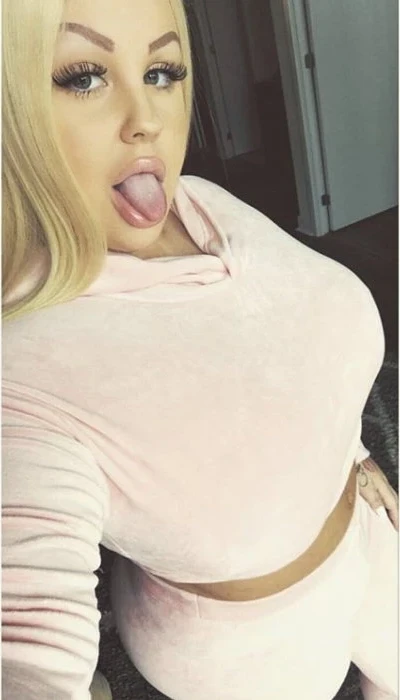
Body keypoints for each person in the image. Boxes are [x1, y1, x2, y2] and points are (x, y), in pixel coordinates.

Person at [2, 0, 398, 699]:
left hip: (370, 536)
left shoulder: (203, 199)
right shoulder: (22, 366)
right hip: (248, 651)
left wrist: (355, 457)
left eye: (161, 71)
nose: (147, 119)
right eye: (84, 77)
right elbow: (28, 641)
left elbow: (291, 347)